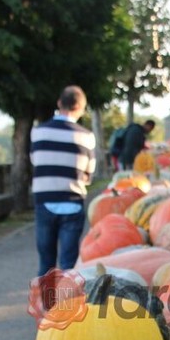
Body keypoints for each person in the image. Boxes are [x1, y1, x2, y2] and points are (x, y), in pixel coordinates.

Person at [29, 85, 96, 277]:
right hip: (72, 202)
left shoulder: (38, 132)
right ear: (81, 108)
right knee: (69, 265)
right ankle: (68, 297)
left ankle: (46, 296)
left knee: (46, 263)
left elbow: (35, 160)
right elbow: (89, 174)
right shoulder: (86, 136)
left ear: (59, 103)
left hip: (44, 201)